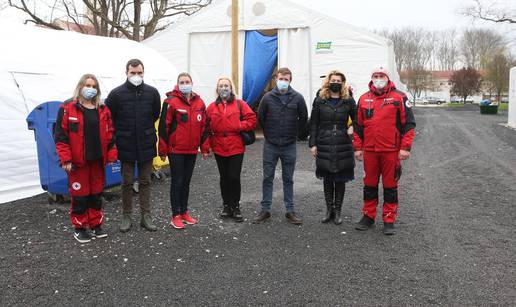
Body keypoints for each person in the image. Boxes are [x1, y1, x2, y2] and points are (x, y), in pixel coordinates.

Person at [55, 74, 117, 243]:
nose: (90, 88)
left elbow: (111, 134)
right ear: (80, 86)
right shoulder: (68, 108)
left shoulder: (103, 109)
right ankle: (80, 227)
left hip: (97, 161)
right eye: (87, 85)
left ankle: (96, 225)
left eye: (93, 86)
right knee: (80, 196)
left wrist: (112, 154)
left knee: (96, 194)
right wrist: (66, 159)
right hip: (78, 163)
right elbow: (61, 136)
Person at [353, 66, 416, 235]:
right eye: (375, 75)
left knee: (390, 186)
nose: (378, 78)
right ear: (371, 78)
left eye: (382, 75)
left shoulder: (399, 97)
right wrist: (358, 148)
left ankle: (389, 219)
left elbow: (409, 124)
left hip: (391, 151)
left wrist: (405, 148)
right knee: (369, 186)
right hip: (371, 151)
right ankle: (368, 217)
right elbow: (358, 126)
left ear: (388, 78)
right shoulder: (363, 98)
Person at [105, 59, 161, 232]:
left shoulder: (152, 93)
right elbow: (109, 118)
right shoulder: (116, 94)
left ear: (144, 72)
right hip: (125, 144)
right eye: (133, 73)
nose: (136, 76)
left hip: (146, 143)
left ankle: (146, 216)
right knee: (127, 182)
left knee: (145, 181)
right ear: (126, 73)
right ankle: (126, 216)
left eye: (139, 73)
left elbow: (154, 114)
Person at [254, 67, 308, 225]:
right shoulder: (267, 98)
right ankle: (265, 210)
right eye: (281, 78)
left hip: (289, 145)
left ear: (290, 80)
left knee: (288, 179)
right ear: (276, 79)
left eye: (286, 79)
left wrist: (295, 134)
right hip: (271, 145)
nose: (283, 81)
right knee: (267, 177)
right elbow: (261, 118)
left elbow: (303, 118)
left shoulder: (298, 98)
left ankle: (290, 211)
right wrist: (269, 134)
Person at [201, 77, 257, 222]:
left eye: (226, 85)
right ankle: (226, 205)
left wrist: (240, 126)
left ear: (231, 88)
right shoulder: (212, 107)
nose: (224, 88)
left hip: (236, 146)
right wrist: (205, 146)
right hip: (218, 146)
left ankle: (235, 206)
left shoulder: (240, 104)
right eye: (221, 86)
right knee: (224, 178)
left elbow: (252, 119)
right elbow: (205, 128)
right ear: (217, 89)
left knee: (234, 177)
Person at [158, 73, 206, 230]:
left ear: (192, 83)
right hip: (176, 150)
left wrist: (204, 148)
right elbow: (164, 128)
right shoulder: (170, 102)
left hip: (191, 150)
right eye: (182, 82)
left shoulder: (200, 103)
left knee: (186, 181)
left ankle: (184, 212)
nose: (185, 84)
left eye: (187, 81)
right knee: (177, 181)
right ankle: (175, 215)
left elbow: (204, 127)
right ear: (178, 84)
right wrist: (163, 150)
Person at [309, 70, 356, 225]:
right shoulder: (320, 99)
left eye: (338, 80)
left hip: (343, 141)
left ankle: (338, 211)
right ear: (328, 81)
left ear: (343, 83)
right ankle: (329, 210)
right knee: (328, 178)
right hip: (324, 141)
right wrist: (313, 144)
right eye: (333, 80)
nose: (335, 82)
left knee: (340, 178)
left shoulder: (348, 99)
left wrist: (352, 127)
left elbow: (358, 118)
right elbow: (314, 123)